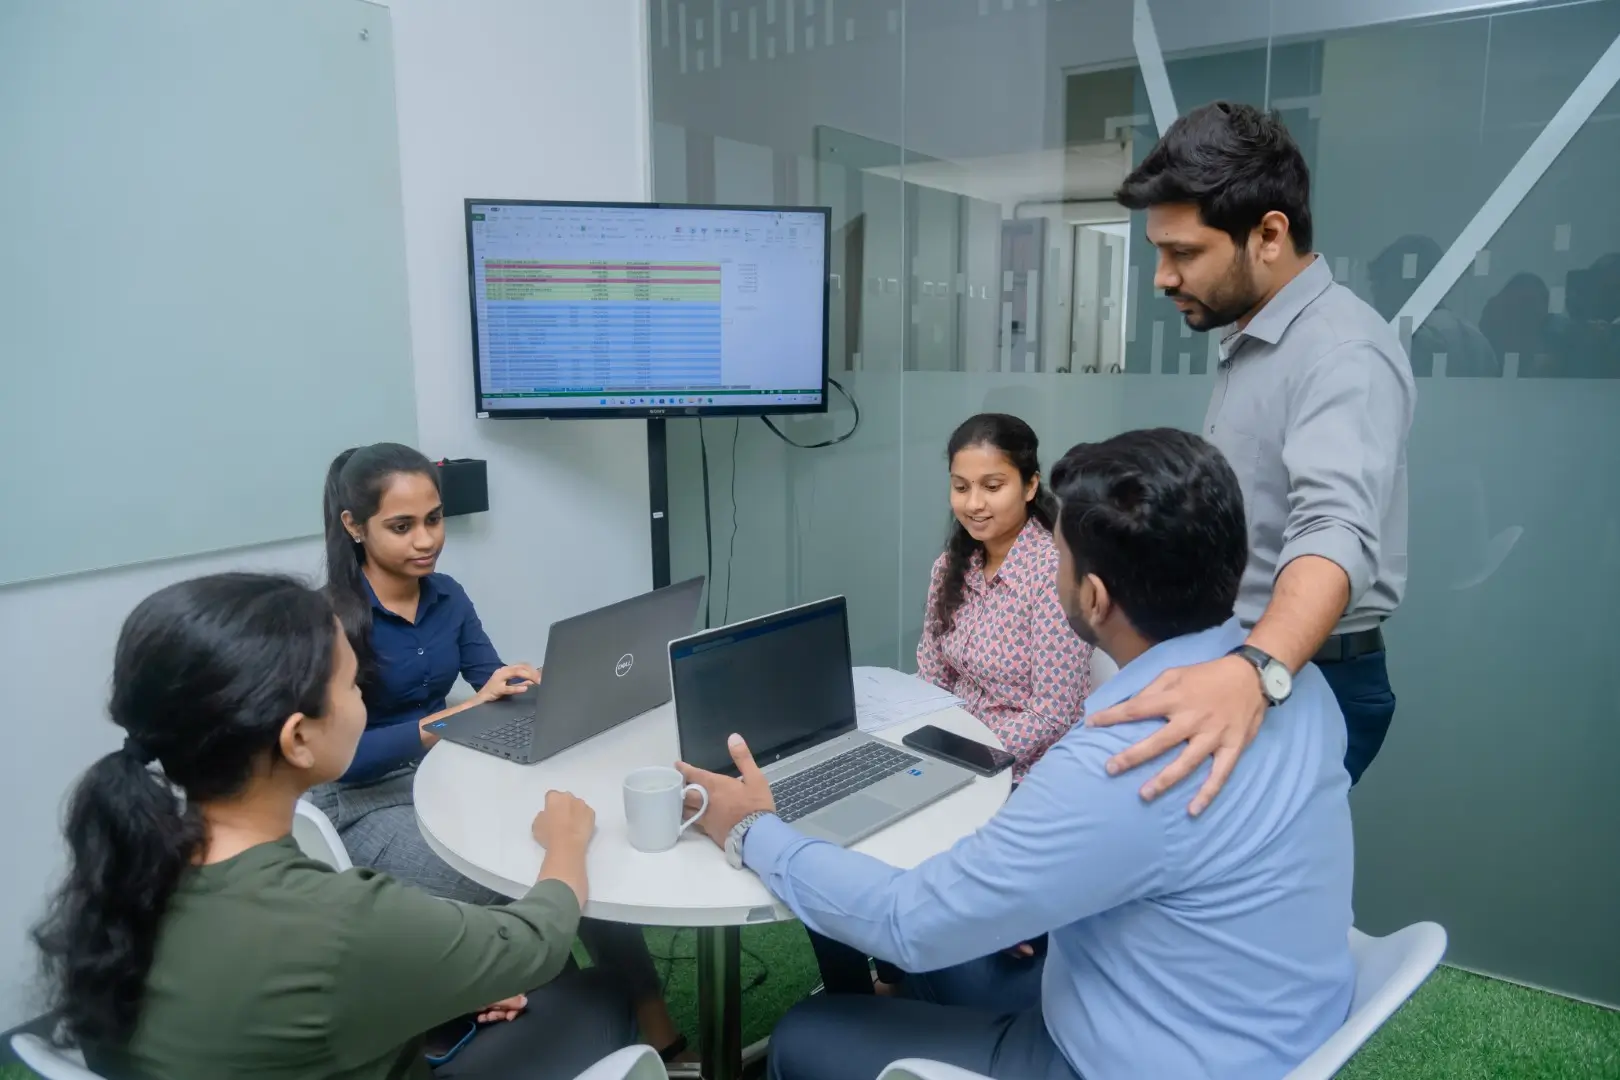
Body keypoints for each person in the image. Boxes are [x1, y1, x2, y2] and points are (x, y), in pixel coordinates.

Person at [677, 428, 1355, 1080]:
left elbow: (902, 920)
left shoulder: (1113, 765)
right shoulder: (1287, 685)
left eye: (1057, 558)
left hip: (1117, 1061)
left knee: (805, 1031)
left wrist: (749, 826)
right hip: (1265, 1028)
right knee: (952, 944)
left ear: (1094, 597)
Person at [31, 572, 632, 1080]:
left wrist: (427, 985)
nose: (362, 701)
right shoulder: (342, 919)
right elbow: (537, 943)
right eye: (351, 685)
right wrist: (565, 843)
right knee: (599, 997)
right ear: (298, 738)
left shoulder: (129, 870)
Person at [313, 443, 690, 1062]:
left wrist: (541, 684)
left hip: (443, 775)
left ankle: (649, 1025)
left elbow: (492, 681)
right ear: (354, 526)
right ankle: (575, 1025)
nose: (426, 540)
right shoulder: (328, 620)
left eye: (434, 519)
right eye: (402, 526)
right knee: (541, 863)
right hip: (362, 802)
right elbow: (339, 760)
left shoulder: (447, 595)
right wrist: (452, 718)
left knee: (568, 842)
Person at [1101, 101, 1416, 807]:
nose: (1161, 277)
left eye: (1184, 253)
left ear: (1269, 234)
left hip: (1304, 677)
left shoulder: (1341, 352)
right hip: (1257, 661)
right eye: (1159, 251)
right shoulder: (1259, 337)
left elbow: (1333, 529)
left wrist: (1253, 672)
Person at [809, 413, 1093, 997]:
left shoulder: (1053, 574)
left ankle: (890, 984)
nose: (974, 504)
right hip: (943, 752)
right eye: (961, 487)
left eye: (993, 485)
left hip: (1021, 774)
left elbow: (1055, 715)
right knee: (836, 847)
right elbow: (931, 678)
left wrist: (962, 752)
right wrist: (917, 742)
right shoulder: (952, 566)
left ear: (1030, 485)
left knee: (894, 855)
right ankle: (863, 994)